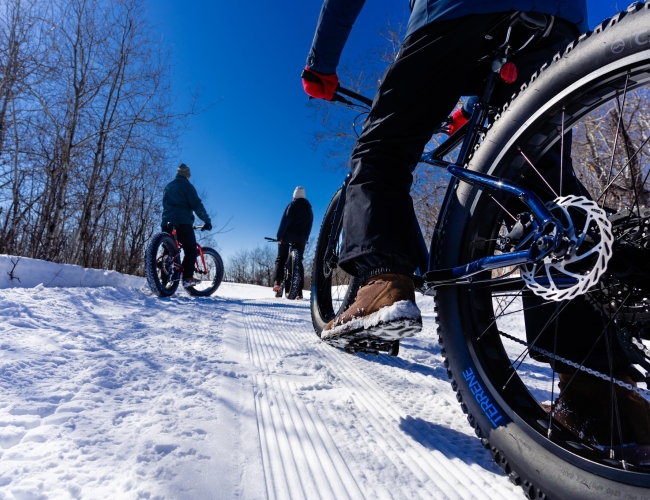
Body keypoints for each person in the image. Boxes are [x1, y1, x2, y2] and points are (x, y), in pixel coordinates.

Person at [302, 1, 650, 448]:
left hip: (459, 11)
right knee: (540, 184)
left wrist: (321, 65)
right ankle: (599, 393)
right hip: (560, 23)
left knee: (382, 149)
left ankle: (385, 278)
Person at [161, 163, 212, 287]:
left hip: (166, 223)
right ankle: (187, 278)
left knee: (168, 251)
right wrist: (207, 220)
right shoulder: (187, 186)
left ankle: (163, 280)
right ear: (187, 175)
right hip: (183, 223)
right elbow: (196, 205)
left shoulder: (168, 186)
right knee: (190, 250)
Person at [273, 186, 314, 299]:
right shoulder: (309, 210)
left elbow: (285, 221)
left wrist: (279, 237)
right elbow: (309, 225)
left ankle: (277, 281)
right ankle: (299, 292)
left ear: (294, 196)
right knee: (299, 261)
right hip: (302, 239)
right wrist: (305, 239)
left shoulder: (292, 205)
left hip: (287, 237)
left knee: (281, 258)